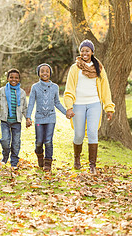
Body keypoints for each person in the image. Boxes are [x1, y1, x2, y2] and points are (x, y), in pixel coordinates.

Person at [64, 39, 115, 174]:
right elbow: (69, 89)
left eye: (87, 50)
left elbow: (105, 89)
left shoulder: (99, 68)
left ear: (92, 52)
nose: (84, 53)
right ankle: (76, 159)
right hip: (78, 105)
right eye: (82, 50)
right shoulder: (75, 69)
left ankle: (92, 165)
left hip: (94, 104)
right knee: (79, 135)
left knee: (93, 132)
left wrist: (108, 107)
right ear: (80, 52)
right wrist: (69, 107)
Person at [26, 63, 67, 172]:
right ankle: (40, 155)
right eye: (42, 71)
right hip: (39, 118)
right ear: (38, 73)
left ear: (50, 73)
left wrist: (66, 112)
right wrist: (28, 117)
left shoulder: (54, 87)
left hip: (50, 118)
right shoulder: (35, 87)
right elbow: (31, 103)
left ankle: (48, 162)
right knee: (39, 141)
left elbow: (57, 103)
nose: (45, 73)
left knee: (48, 140)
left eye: (47, 71)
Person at [0, 68, 27, 169]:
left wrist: (28, 118)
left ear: (19, 79)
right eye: (11, 77)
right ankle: (5, 155)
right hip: (5, 120)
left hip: (16, 121)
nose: (14, 79)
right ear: (7, 78)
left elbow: (25, 107)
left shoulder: (22, 92)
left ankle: (14, 161)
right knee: (5, 140)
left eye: (16, 78)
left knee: (16, 142)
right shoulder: (2, 90)